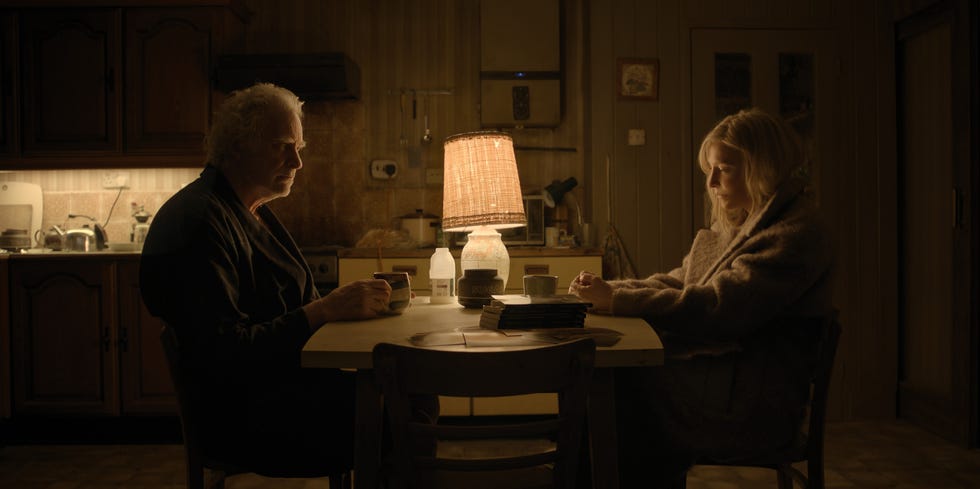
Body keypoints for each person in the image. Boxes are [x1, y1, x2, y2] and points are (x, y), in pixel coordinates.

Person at [569, 108, 836, 487]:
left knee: (614, 393)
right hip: (719, 382)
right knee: (605, 391)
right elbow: (681, 282)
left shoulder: (796, 233)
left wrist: (616, 301)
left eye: (724, 169)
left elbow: (719, 308)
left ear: (764, 167)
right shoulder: (746, 222)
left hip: (751, 407)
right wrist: (613, 290)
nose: (711, 181)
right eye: (710, 169)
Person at [140, 83, 392, 477]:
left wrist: (342, 304)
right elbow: (226, 352)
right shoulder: (201, 222)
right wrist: (326, 308)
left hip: (281, 390)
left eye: (299, 148)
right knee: (399, 406)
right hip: (249, 419)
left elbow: (289, 306)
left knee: (402, 388)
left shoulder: (246, 207)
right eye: (282, 146)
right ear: (238, 145)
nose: (297, 162)